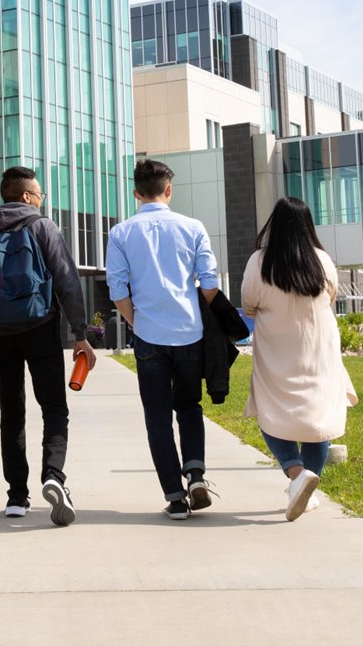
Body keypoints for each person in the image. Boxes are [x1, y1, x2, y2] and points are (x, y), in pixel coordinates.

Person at [0, 166, 96, 525]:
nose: (41, 200)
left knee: (12, 413)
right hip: (41, 328)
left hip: (2, 332)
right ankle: (52, 476)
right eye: (39, 194)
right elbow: (68, 282)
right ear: (27, 197)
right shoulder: (43, 227)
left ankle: (16, 497)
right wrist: (80, 333)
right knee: (54, 408)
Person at [106, 159, 222, 520]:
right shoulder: (193, 227)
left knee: (157, 417)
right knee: (189, 407)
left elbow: (116, 288)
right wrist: (189, 307)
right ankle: (196, 474)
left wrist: (136, 321)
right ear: (168, 190)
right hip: (189, 332)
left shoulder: (121, 233)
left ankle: (174, 496)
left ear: (136, 193)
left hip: (149, 334)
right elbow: (211, 283)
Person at [240, 198, 359, 521]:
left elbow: (248, 304)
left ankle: (296, 475)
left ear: (274, 225)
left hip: (277, 349)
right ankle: (308, 483)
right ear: (308, 225)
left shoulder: (260, 262)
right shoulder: (322, 260)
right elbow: (331, 297)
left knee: (270, 409)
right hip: (318, 348)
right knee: (318, 417)